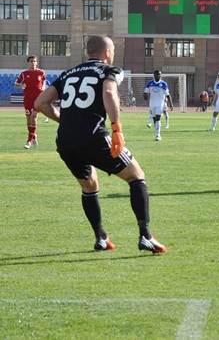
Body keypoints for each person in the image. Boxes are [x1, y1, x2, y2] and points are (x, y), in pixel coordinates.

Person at [33, 35, 166, 254]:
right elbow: (108, 92)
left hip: (65, 140)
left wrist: (65, 121)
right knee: (136, 176)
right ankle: (145, 236)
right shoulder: (109, 70)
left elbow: (40, 103)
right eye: (112, 50)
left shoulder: (68, 74)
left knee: (89, 186)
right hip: (94, 136)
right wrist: (116, 128)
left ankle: (101, 237)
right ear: (107, 52)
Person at [14, 55, 47, 149]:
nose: (33, 63)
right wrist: (21, 87)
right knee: (29, 121)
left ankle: (28, 141)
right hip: (27, 99)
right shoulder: (24, 73)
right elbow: (16, 85)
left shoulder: (41, 72)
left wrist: (43, 87)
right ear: (28, 63)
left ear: (37, 62)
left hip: (38, 99)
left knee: (34, 117)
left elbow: (44, 81)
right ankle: (33, 136)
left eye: (34, 61)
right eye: (31, 61)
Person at [144, 70, 173, 140]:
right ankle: (157, 133)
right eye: (157, 75)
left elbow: (167, 94)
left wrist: (171, 104)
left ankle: (158, 135)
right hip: (152, 103)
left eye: (159, 75)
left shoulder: (163, 84)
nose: (158, 76)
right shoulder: (149, 83)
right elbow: (145, 92)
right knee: (154, 119)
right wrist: (145, 96)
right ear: (154, 75)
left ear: (161, 76)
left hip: (160, 103)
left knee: (158, 118)